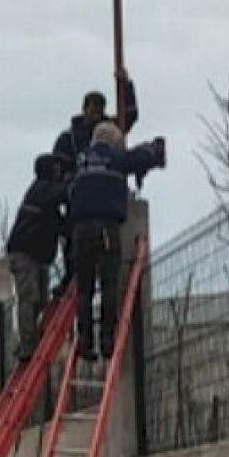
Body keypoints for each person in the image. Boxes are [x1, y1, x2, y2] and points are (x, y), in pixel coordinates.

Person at [66, 122, 164, 361]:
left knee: (85, 290)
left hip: (79, 232)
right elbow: (140, 158)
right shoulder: (115, 158)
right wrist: (154, 149)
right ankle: (107, 340)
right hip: (106, 230)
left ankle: (85, 342)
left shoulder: (81, 161)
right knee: (109, 284)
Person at [4, 153, 70, 362]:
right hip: (24, 254)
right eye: (57, 169)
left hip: (35, 255)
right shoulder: (42, 190)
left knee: (39, 300)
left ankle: (29, 339)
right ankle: (27, 344)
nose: (59, 173)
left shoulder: (43, 196)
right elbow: (65, 193)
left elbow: (61, 226)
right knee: (28, 298)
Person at [52, 74, 139, 165]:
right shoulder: (69, 138)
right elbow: (58, 165)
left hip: (109, 176)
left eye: (99, 111)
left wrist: (125, 85)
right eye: (93, 111)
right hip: (81, 177)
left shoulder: (111, 130)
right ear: (84, 109)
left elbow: (130, 114)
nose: (96, 116)